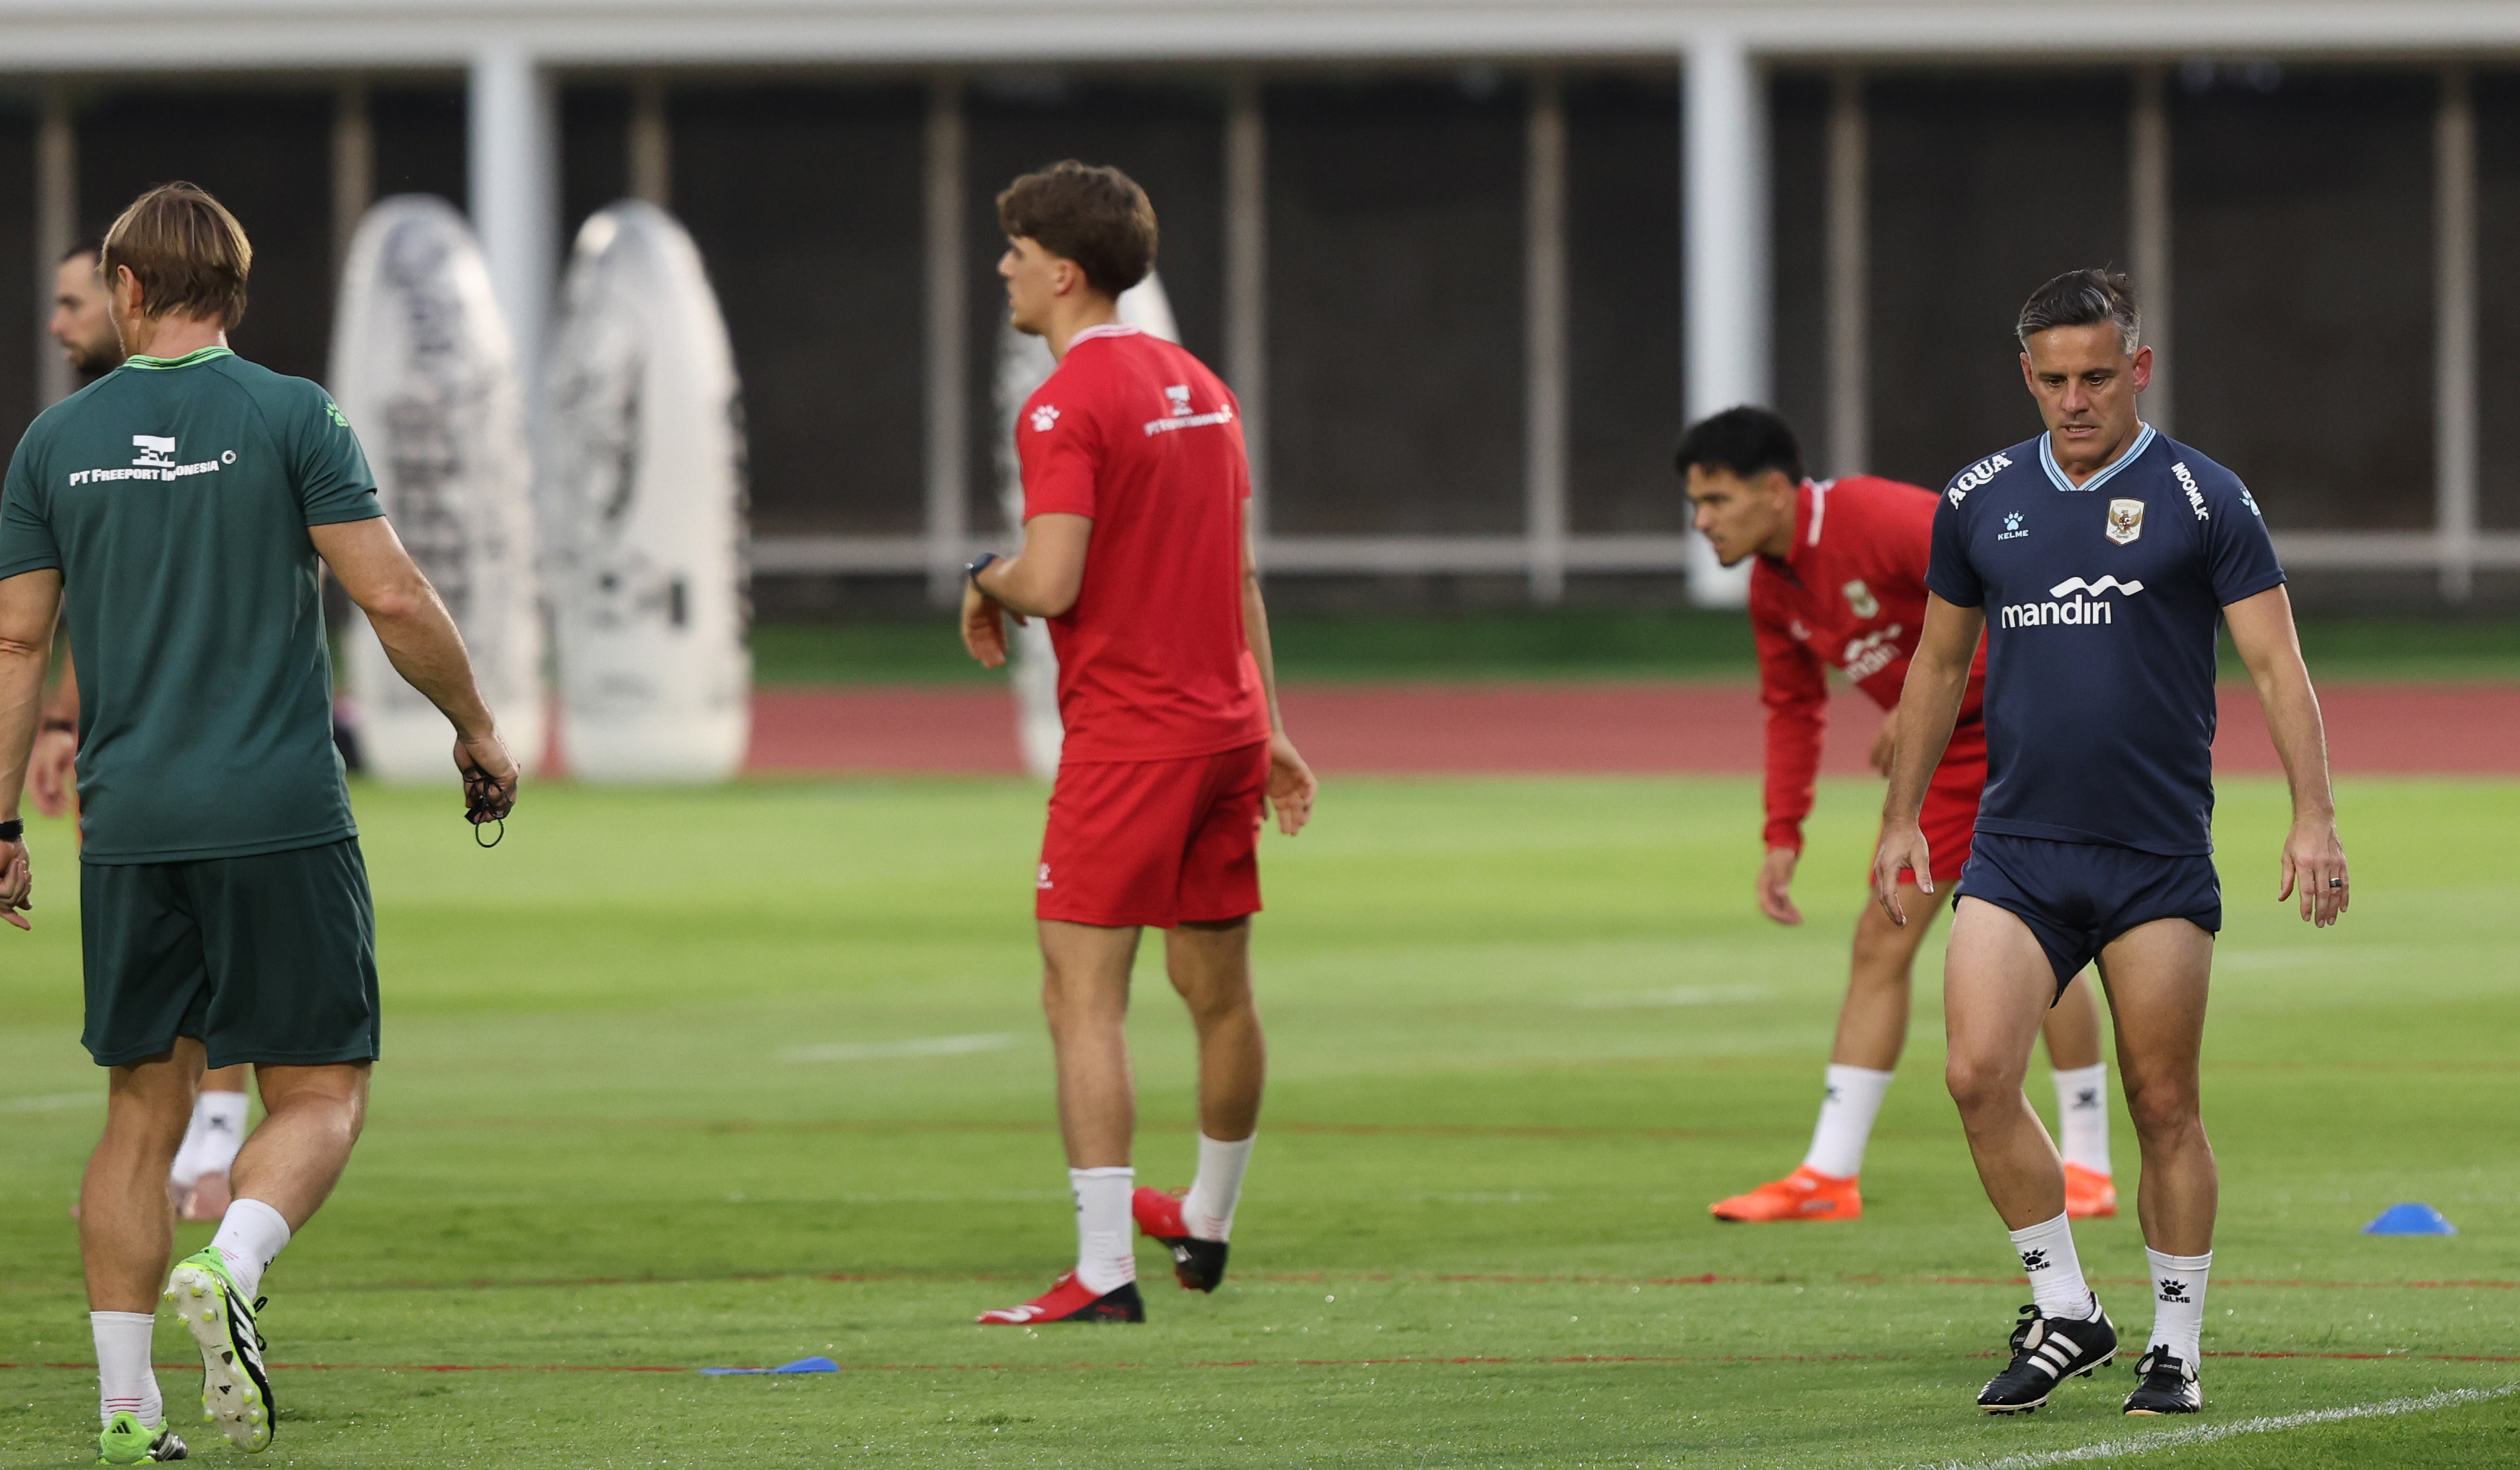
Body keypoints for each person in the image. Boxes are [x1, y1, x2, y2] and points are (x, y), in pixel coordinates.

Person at [0, 182, 519, 1464]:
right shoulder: (293, 415)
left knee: (139, 1111)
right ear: (232, 293)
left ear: (124, 290)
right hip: (277, 812)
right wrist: (473, 725)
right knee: (322, 1089)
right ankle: (231, 1263)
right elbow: (391, 598)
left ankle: (126, 1416)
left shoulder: (52, 442)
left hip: (126, 827)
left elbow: (18, 642)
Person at [1873, 269, 2346, 1417]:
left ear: (2138, 367)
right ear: (2025, 376)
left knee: (2161, 1099)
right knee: (1976, 1074)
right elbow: (1938, 665)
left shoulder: (2204, 495)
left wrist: (2314, 814)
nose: (2075, 398)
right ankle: (2069, 1307)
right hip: (2017, 846)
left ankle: (2175, 1345)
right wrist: (1899, 818)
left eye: (2097, 375)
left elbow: (2278, 665)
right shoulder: (1979, 497)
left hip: (2153, 858)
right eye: (2054, 379)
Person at [958, 160, 1316, 1326]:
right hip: (1221, 728)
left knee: (1081, 998)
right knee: (1217, 991)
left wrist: (983, 579)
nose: (1001, 267)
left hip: (1129, 741)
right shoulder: (1200, 383)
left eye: (1013, 249)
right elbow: (1240, 573)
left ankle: (1104, 1267)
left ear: (1062, 271)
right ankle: (1205, 1221)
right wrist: (1269, 730)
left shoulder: (1063, 403)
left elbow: (1052, 580)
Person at [1678, 407, 2117, 1224]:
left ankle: (2087, 1166)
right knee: (1879, 937)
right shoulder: (1774, 587)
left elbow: (2022, 589)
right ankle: (1827, 1176)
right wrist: (1782, 835)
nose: (1701, 521)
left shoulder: (1874, 517)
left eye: (1713, 500)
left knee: (2042, 940)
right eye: (1694, 505)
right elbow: (1791, 709)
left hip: (2031, 734)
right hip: (1947, 762)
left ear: (1773, 492)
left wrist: (1931, 690)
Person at [35, 235, 256, 1224]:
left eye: (76, 302)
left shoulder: (209, 419)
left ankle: (216, 1117)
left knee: (213, 945)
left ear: (128, 296)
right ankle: (209, 1131)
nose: (61, 323)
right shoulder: (80, 436)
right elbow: (102, 603)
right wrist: (58, 715)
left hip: (199, 748)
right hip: (145, 747)